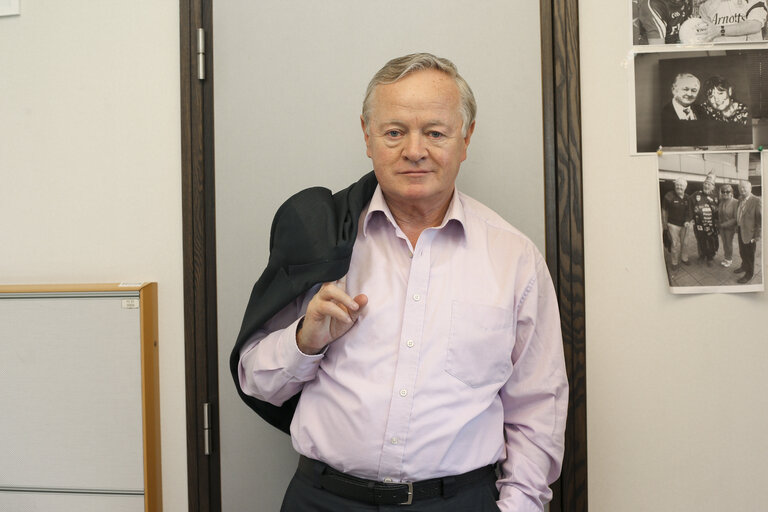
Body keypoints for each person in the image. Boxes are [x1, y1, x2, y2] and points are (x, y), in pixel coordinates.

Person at [233, 53, 568, 511]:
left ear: (465, 139)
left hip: (459, 501)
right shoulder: (320, 239)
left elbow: (538, 407)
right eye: (394, 132)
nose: (414, 150)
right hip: (324, 500)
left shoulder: (514, 258)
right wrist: (304, 342)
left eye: (435, 132)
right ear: (367, 136)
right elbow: (257, 383)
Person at [661, 73, 704, 147]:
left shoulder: (702, 112)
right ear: (674, 90)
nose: (689, 94)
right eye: (685, 89)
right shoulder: (662, 114)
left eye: (694, 90)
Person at [698, 0, 768, 42]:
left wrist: (719, 30)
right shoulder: (706, 5)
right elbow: (706, 35)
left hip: (748, 56)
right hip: (719, 57)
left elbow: (754, 25)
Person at [734, 179, 762, 283]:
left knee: (749, 255)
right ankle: (744, 266)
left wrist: (756, 236)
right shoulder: (740, 198)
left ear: (750, 188)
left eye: (744, 187)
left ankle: (749, 274)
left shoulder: (756, 200)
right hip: (741, 230)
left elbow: (760, 220)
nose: (742, 190)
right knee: (742, 251)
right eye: (740, 188)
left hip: (750, 233)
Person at [689, 173, 720, 266]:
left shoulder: (716, 196)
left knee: (711, 240)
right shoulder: (696, 195)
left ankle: (710, 257)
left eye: (709, 184)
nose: (706, 186)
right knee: (701, 240)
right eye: (705, 184)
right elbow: (690, 207)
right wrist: (689, 219)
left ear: (713, 187)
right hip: (699, 225)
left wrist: (719, 223)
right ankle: (702, 255)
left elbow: (719, 210)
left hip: (711, 225)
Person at [662, 177, 692, 270]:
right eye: (677, 185)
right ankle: (674, 262)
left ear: (685, 187)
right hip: (673, 225)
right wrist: (664, 223)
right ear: (675, 186)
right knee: (675, 244)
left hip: (684, 225)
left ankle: (684, 258)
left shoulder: (687, 197)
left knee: (685, 243)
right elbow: (664, 210)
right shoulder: (669, 196)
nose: (679, 187)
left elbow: (689, 211)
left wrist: (687, 220)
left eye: (681, 185)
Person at [717, 183, 739, 267]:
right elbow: (719, 214)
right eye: (723, 191)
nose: (725, 193)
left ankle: (729, 259)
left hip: (729, 227)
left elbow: (735, 218)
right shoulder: (722, 201)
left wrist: (724, 225)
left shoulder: (735, 202)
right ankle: (726, 257)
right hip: (722, 227)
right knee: (724, 243)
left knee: (728, 243)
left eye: (727, 191)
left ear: (731, 192)